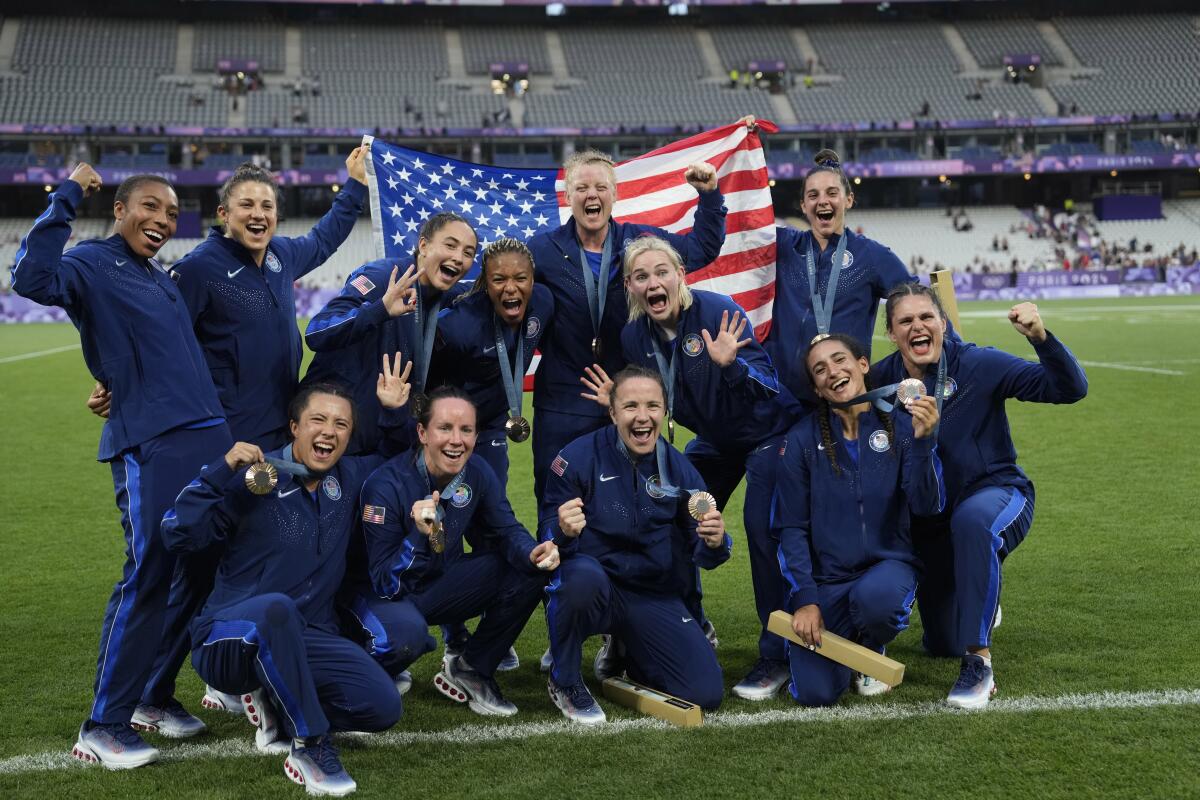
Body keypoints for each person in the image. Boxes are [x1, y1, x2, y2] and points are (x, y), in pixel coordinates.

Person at [132, 149, 369, 722]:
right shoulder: (198, 269)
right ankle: (150, 697)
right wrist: (118, 386)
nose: (258, 213)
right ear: (223, 212)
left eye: (267, 205)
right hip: (225, 446)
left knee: (246, 564)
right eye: (247, 205)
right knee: (194, 569)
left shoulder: (282, 257)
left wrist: (354, 188)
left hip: (275, 447)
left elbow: (327, 237)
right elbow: (161, 343)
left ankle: (229, 666)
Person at [11, 164, 231, 768]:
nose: (161, 220)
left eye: (169, 212)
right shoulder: (89, 262)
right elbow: (30, 278)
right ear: (119, 210)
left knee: (199, 574)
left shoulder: (157, 276)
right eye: (149, 208)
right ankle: (102, 726)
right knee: (149, 575)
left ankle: (151, 698)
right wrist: (65, 196)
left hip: (207, 437)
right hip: (154, 441)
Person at [161, 369, 412, 796]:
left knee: (382, 707)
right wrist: (220, 471)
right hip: (228, 637)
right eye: (318, 420)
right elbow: (177, 532)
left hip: (306, 636)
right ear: (294, 426)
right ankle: (310, 744)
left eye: (341, 424)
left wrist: (392, 412)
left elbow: (396, 456)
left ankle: (277, 696)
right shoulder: (254, 479)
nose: (328, 432)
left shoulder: (348, 479)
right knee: (275, 609)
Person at [581, 235, 800, 699]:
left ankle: (776, 656)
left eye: (662, 272)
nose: (653, 282)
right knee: (669, 511)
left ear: (681, 276)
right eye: (641, 276)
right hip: (714, 441)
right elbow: (646, 391)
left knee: (762, 531)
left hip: (767, 434)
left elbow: (769, 387)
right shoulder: (634, 336)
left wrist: (732, 366)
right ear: (629, 287)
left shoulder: (719, 311)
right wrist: (618, 401)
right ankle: (686, 621)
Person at [872, 284, 1087, 708]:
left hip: (996, 494)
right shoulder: (880, 381)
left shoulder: (978, 364)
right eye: (905, 321)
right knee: (942, 642)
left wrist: (1040, 337)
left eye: (926, 317)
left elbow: (1069, 388)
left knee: (973, 524)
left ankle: (979, 664)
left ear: (943, 323)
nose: (918, 326)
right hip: (932, 521)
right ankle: (977, 603)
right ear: (893, 334)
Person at [527, 148, 726, 506]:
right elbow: (501, 287)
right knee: (556, 500)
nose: (592, 195)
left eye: (601, 187)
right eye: (582, 188)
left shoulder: (638, 243)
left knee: (626, 500)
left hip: (626, 400)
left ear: (615, 194)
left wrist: (709, 196)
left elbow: (702, 248)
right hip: (562, 401)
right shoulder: (543, 250)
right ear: (568, 196)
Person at [349, 387, 559, 717]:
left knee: (529, 568)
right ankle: (365, 664)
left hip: (440, 582)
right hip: (386, 597)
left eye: (466, 430)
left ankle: (472, 668)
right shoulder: (386, 485)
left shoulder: (476, 472)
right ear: (422, 432)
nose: (456, 440)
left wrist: (533, 552)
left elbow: (505, 528)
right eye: (444, 428)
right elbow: (385, 584)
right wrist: (418, 537)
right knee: (408, 635)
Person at [541, 366, 731, 724]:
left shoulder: (680, 469)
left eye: (652, 406)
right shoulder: (576, 458)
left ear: (664, 411)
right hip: (596, 586)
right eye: (630, 406)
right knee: (579, 579)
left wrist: (717, 541)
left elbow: (704, 553)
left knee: (705, 692)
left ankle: (630, 651)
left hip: (650, 594)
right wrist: (562, 533)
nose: (642, 417)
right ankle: (564, 678)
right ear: (612, 412)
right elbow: (546, 541)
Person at [775, 334, 944, 706]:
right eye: (820, 369)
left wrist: (924, 443)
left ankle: (871, 644)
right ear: (817, 389)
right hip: (828, 583)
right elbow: (791, 528)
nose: (833, 372)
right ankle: (841, 647)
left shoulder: (902, 428)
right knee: (815, 694)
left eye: (840, 360)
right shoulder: (801, 441)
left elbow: (927, 505)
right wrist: (805, 599)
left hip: (887, 568)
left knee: (878, 602)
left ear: (863, 365)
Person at [304, 212, 475, 453]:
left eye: (468, 253)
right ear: (423, 245)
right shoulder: (383, 276)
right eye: (450, 245)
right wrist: (380, 309)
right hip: (334, 436)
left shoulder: (448, 300)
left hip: (386, 441)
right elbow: (317, 332)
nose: (458, 258)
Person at [761, 145, 915, 403]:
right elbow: (739, 226)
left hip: (845, 397)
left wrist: (954, 352)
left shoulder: (872, 256)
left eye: (832, 193)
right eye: (813, 195)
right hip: (785, 402)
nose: (822, 201)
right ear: (803, 205)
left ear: (849, 200)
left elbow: (917, 303)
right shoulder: (783, 246)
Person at [429, 237, 553, 487]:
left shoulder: (543, 302)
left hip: (492, 422)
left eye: (520, 278)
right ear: (486, 284)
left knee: (491, 502)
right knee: (439, 508)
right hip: (448, 426)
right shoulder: (460, 326)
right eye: (499, 280)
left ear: (532, 280)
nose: (510, 288)